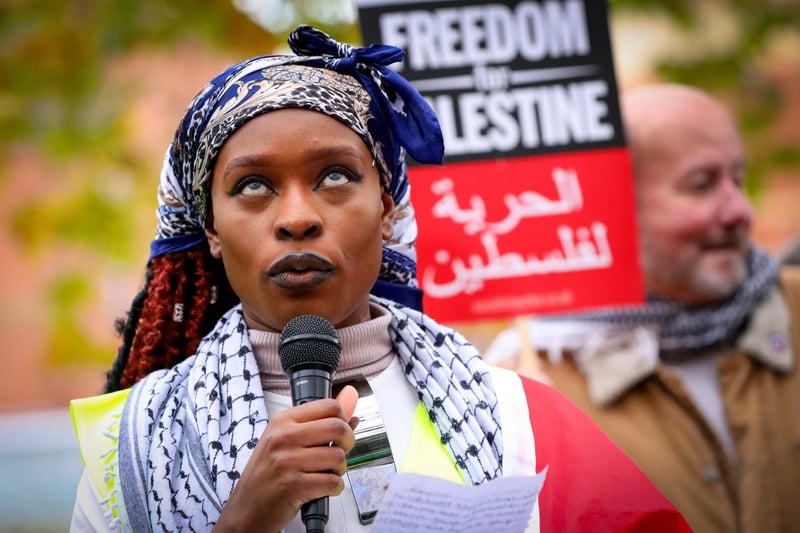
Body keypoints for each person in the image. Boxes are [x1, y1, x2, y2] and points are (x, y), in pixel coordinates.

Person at [68, 26, 691, 533]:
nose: (298, 218)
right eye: (252, 186)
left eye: (335, 176)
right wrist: (244, 522)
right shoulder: (135, 447)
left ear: (390, 209)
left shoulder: (517, 416)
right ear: (210, 229)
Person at [486, 83, 800, 533]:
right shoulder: (529, 377)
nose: (739, 210)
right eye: (702, 184)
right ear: (617, 204)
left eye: (738, 178)